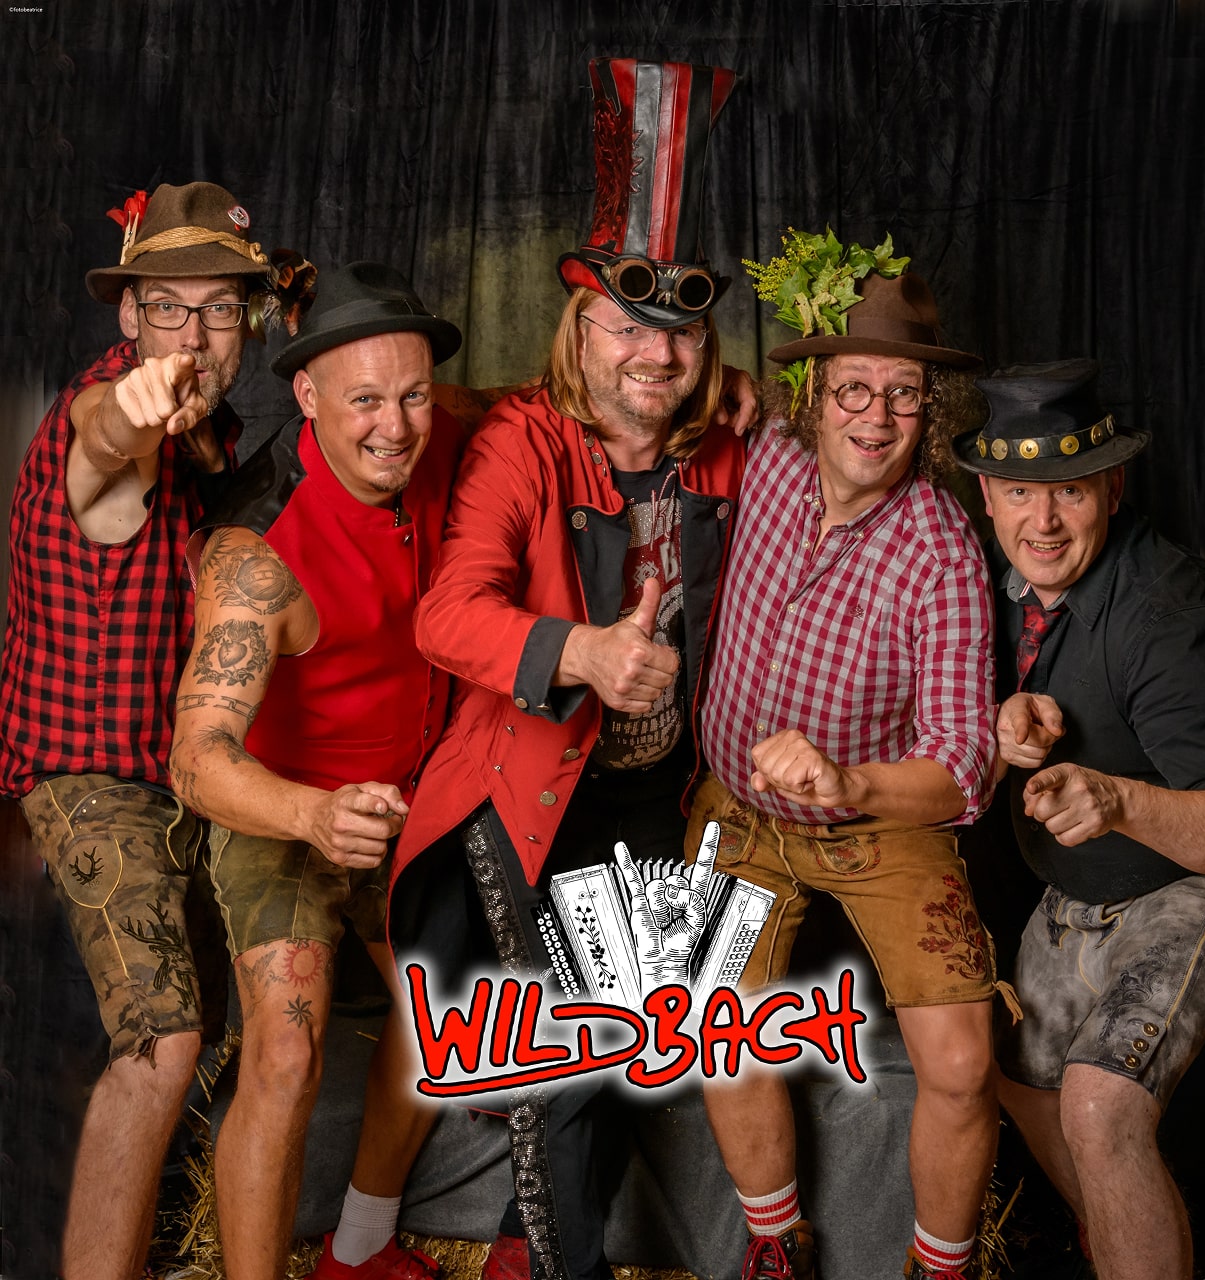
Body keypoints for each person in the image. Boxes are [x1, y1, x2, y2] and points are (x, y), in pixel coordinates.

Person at [387, 56, 744, 1280]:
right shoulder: (523, 443)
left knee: (635, 1039)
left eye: (678, 330)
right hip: (528, 786)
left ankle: (514, 1254)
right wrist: (582, 650)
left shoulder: (722, 448)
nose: (655, 353)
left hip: (658, 798)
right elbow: (447, 615)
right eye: (626, 327)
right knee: (581, 1039)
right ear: (578, 331)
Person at [687, 237, 1004, 1280]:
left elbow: (963, 762)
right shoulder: (769, 458)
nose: (876, 416)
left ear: (930, 410)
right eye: (854, 388)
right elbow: (640, 392)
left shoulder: (942, 549)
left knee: (961, 1061)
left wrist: (846, 781)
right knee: (711, 1017)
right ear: (812, 397)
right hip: (739, 812)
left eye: (903, 394)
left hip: (879, 821)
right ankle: (774, 1240)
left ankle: (941, 1265)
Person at [0, 180, 286, 1280]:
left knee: (212, 1028)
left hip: (183, 777)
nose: (194, 337)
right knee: (162, 1041)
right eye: (169, 308)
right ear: (129, 314)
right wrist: (135, 405)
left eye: (218, 310)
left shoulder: (214, 438)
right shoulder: (108, 411)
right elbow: (102, 446)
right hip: (91, 778)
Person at [952, 359, 1205, 1280]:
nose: (1044, 522)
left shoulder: (1165, 611)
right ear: (987, 495)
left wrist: (1117, 798)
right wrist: (997, 722)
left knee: (1100, 1108)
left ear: (1113, 488)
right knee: (1013, 1077)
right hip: (1076, 892)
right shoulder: (989, 580)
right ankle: (1124, 1242)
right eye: (1021, 492)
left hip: (1198, 882)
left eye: (1070, 491)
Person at [169, 261, 464, 1280]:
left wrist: (720, 389)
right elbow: (196, 758)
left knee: (447, 1027)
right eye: (366, 401)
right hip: (281, 807)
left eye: (415, 394)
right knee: (287, 1051)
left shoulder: (435, 431)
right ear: (306, 394)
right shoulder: (256, 552)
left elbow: (527, 400)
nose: (396, 426)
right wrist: (312, 813)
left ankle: (360, 1248)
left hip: (405, 801)